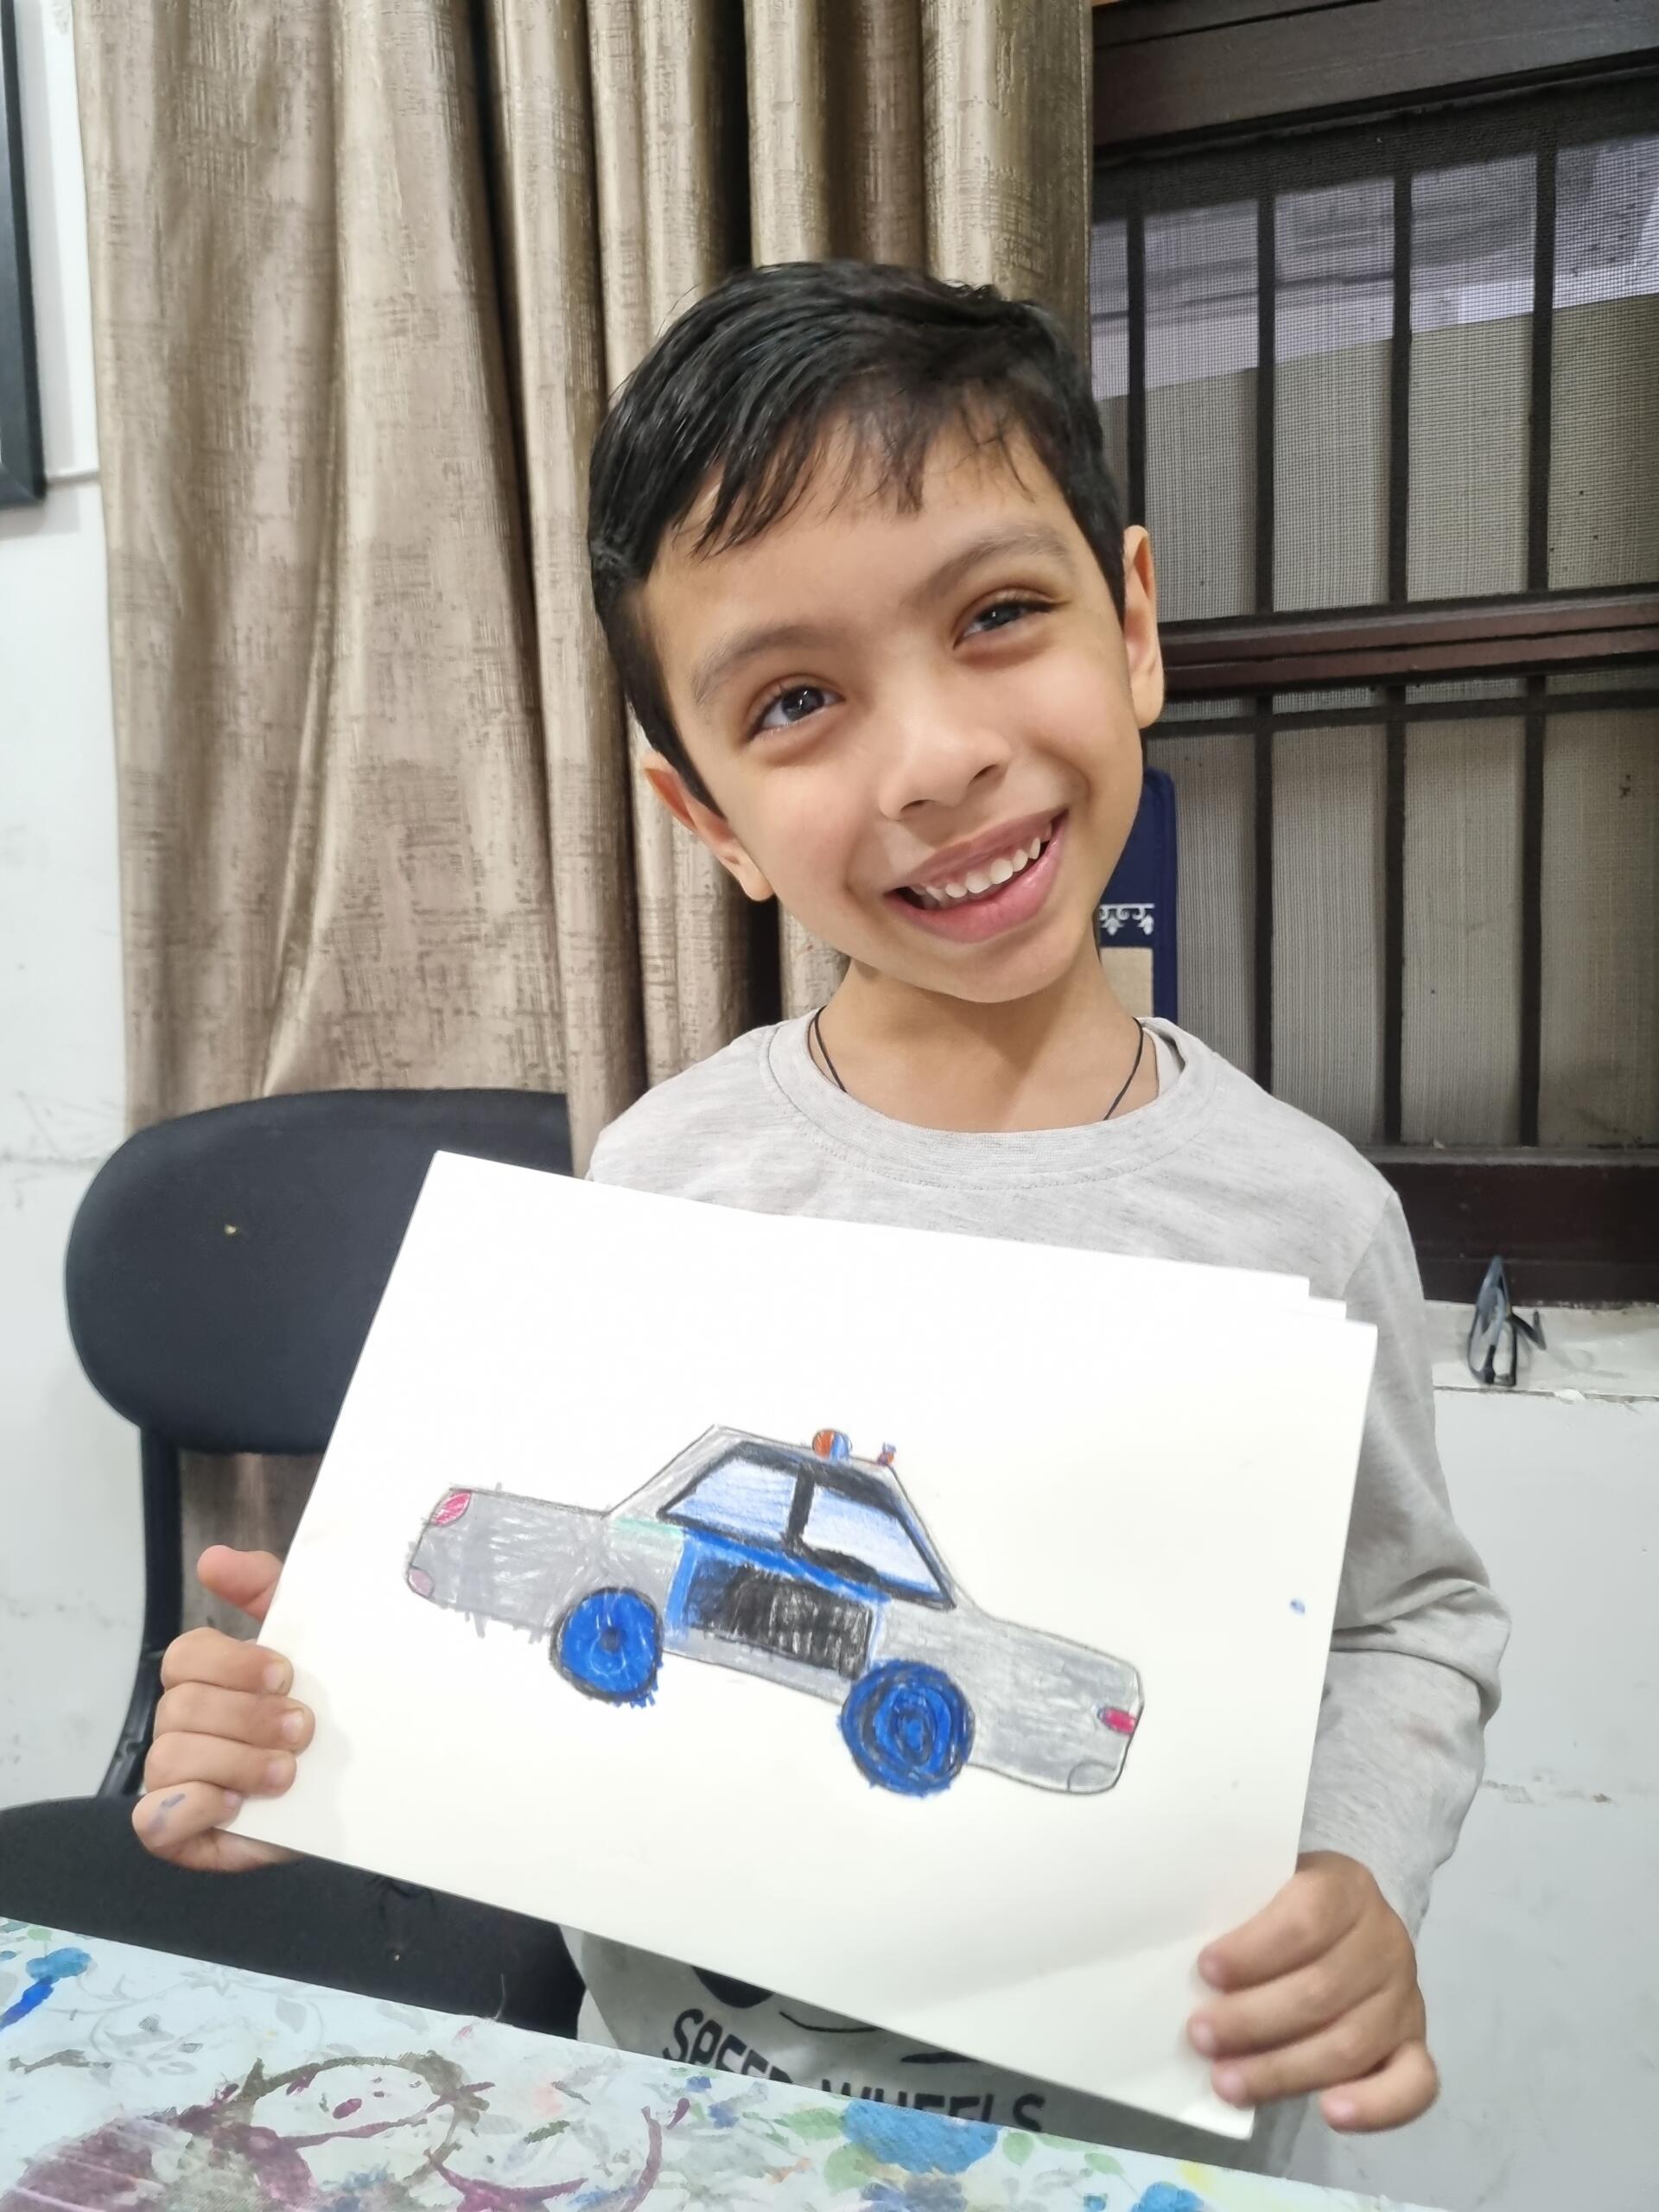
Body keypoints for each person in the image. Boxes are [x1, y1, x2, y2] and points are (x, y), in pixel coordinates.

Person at [132, 262, 1509, 2171]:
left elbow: (1409, 1619)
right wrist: (339, 1731)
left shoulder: (1305, 1215)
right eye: (796, 701)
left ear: (1132, 623)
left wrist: (1356, 1862)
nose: (935, 759)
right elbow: (522, 1719)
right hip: (685, 2128)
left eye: (999, 615)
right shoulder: (663, 1182)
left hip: (1139, 2152)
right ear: (704, 814)